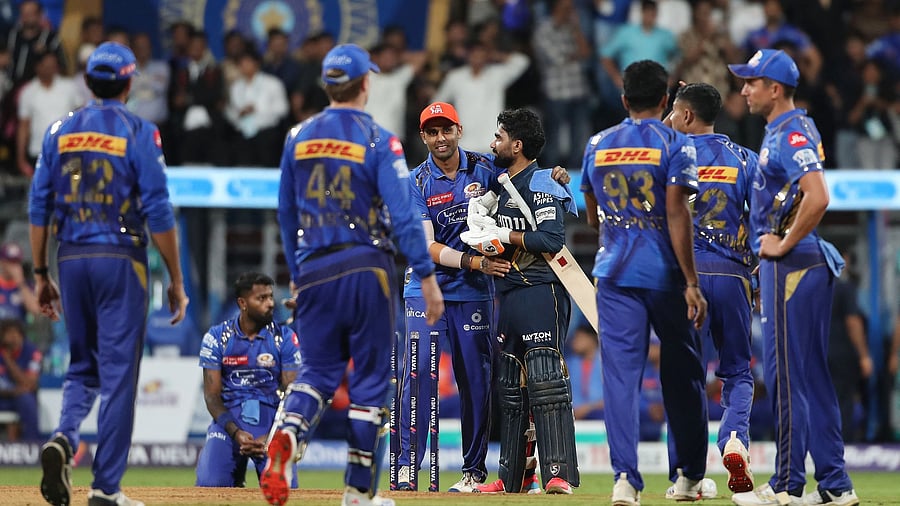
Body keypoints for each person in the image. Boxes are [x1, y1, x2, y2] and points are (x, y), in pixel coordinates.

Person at [261, 43, 444, 506]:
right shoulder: (380, 139)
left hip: (315, 267)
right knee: (369, 383)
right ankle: (358, 493)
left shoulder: (296, 137)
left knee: (317, 372)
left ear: (327, 85)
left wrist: (298, 275)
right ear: (365, 84)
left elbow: (285, 214)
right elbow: (404, 216)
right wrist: (425, 275)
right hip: (367, 267)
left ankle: (286, 434)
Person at [29, 42, 189, 506]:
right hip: (120, 257)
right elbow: (158, 210)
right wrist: (176, 280)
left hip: (71, 255)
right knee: (119, 375)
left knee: (83, 365)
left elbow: (39, 205)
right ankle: (105, 489)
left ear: (87, 81)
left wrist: (41, 271)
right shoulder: (139, 130)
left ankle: (64, 434)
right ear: (128, 80)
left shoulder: (58, 130)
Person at [728, 49, 858, 506]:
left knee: (787, 379)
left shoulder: (791, 130)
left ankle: (785, 486)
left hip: (793, 264)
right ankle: (836, 485)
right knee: (812, 379)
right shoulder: (785, 130)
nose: (744, 90)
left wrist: (781, 246)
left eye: (751, 82)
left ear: (775, 89)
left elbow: (818, 196)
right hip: (801, 264)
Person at [580, 59, 709, 504]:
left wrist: (615, 230)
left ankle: (625, 481)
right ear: (665, 99)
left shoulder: (597, 143)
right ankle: (689, 475)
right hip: (664, 276)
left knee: (620, 377)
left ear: (623, 99)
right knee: (683, 374)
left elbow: (591, 208)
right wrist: (691, 280)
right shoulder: (675, 143)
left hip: (612, 273)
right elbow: (677, 212)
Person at [461, 107, 579, 495]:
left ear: (518, 144)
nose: (493, 143)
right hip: (508, 292)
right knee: (510, 388)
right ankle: (511, 478)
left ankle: (559, 473)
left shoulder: (544, 182)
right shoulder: (498, 185)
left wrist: (502, 236)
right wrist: (485, 237)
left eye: (499, 137)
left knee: (545, 380)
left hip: (541, 290)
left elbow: (551, 240)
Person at [667, 82, 759, 494]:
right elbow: (767, 222)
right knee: (738, 371)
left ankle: (687, 478)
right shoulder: (745, 159)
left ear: (687, 115)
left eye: (674, 111)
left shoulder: (671, 156)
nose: (669, 118)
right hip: (734, 275)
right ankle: (735, 439)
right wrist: (751, 267)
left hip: (687, 280)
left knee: (683, 376)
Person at [195, 272, 301, 488]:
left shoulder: (285, 337)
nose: (270, 304)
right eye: (261, 298)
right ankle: (234, 473)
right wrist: (236, 432)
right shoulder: (216, 337)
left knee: (284, 490)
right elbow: (212, 396)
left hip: (271, 425)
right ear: (242, 303)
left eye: (270, 297)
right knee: (210, 485)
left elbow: (292, 393)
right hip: (228, 424)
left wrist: (272, 436)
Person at [827, 251, 871, 443]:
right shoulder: (845, 288)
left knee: (821, 400)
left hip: (818, 352)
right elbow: (853, 322)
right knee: (843, 401)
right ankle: (841, 446)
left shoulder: (818, 288)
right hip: (842, 354)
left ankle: (822, 445)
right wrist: (864, 355)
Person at [0, 318, 40, 440]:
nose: (13, 337)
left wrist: (9, 361)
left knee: (27, 400)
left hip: (20, 398)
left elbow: (30, 383)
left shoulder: (32, 352)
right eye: (9, 333)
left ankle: (32, 446)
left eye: (15, 333)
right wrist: (14, 391)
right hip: (4, 396)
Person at [0, 242, 40, 321]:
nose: (15, 266)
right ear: (2, 263)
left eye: (17, 262)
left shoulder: (28, 285)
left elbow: (35, 310)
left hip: (19, 330)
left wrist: (21, 283)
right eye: (10, 262)